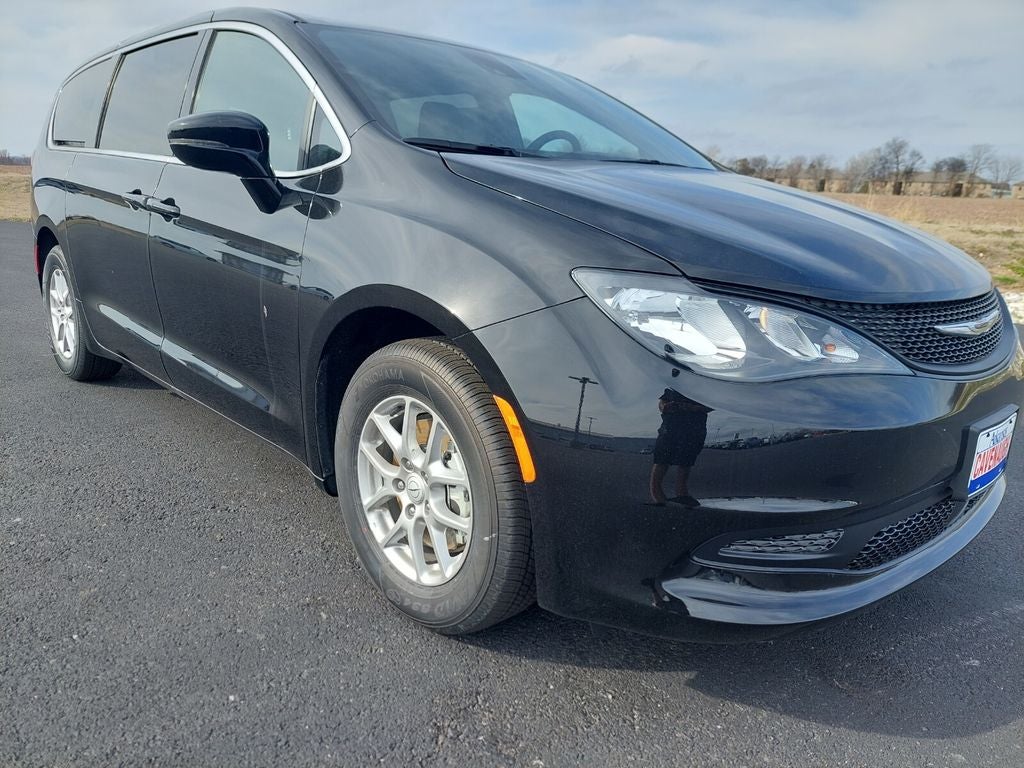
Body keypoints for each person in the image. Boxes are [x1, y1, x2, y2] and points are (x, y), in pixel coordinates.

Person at [649, 388, 709, 506]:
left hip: (694, 426)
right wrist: (665, 407)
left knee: (686, 459)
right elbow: (662, 402)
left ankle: (681, 492)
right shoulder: (676, 384)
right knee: (662, 458)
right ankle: (656, 493)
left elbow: (712, 405)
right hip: (672, 425)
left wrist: (691, 408)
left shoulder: (705, 387)